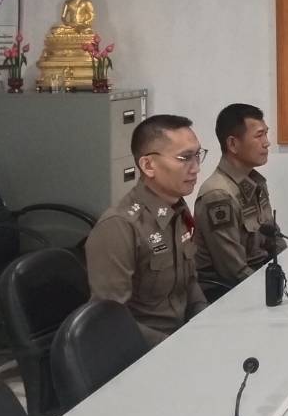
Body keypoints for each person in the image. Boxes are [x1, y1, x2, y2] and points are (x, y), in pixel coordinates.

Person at [86, 114, 207, 345]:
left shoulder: (178, 211)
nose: (196, 168)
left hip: (183, 337)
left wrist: (206, 320)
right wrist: (174, 346)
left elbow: (189, 284)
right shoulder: (120, 226)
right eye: (185, 158)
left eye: (197, 155)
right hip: (144, 350)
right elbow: (111, 320)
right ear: (148, 165)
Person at [194, 103, 285, 292]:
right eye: (259, 136)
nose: (267, 143)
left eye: (266, 134)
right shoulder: (218, 195)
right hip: (228, 293)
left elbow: (275, 241)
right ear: (233, 144)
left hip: (259, 279)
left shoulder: (255, 183)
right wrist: (273, 289)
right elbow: (234, 271)